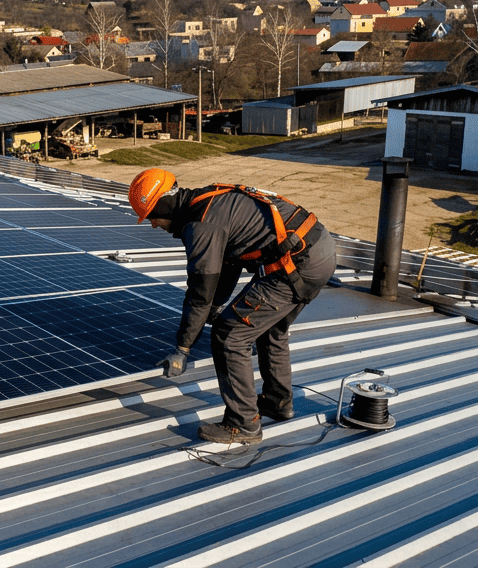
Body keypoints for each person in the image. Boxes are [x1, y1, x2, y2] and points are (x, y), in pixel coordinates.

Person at [128, 168, 337, 445]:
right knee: (269, 329)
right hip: (318, 249)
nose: (153, 224)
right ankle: (277, 403)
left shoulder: (200, 225)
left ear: (163, 205)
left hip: (296, 263)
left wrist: (183, 347)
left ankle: (243, 423)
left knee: (229, 334)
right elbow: (230, 263)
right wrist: (217, 305)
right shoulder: (209, 199)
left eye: (151, 217)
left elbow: (201, 290)